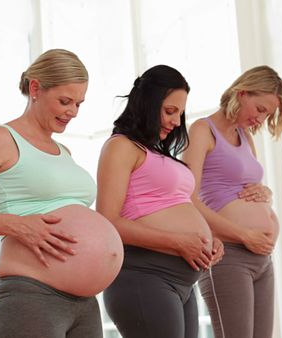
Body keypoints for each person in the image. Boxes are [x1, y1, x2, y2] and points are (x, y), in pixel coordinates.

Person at [0, 49, 123, 338]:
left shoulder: (64, 152)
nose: (72, 112)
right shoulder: (1, 140)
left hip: (84, 303)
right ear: (35, 89)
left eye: (78, 104)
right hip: (32, 296)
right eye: (65, 101)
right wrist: (16, 224)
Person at [96, 64, 224, 338]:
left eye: (180, 113)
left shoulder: (159, 154)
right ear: (147, 103)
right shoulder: (121, 146)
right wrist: (179, 242)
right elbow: (108, 222)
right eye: (169, 111)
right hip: (144, 277)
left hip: (183, 282)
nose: (177, 122)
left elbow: (180, 206)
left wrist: (210, 240)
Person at [182, 65, 282, 338]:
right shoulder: (202, 131)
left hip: (261, 258)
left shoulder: (246, 137)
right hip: (228, 255)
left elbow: (246, 187)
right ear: (242, 93)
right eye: (260, 109)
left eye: (267, 114)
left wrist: (266, 195)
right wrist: (245, 234)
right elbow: (187, 198)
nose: (261, 119)